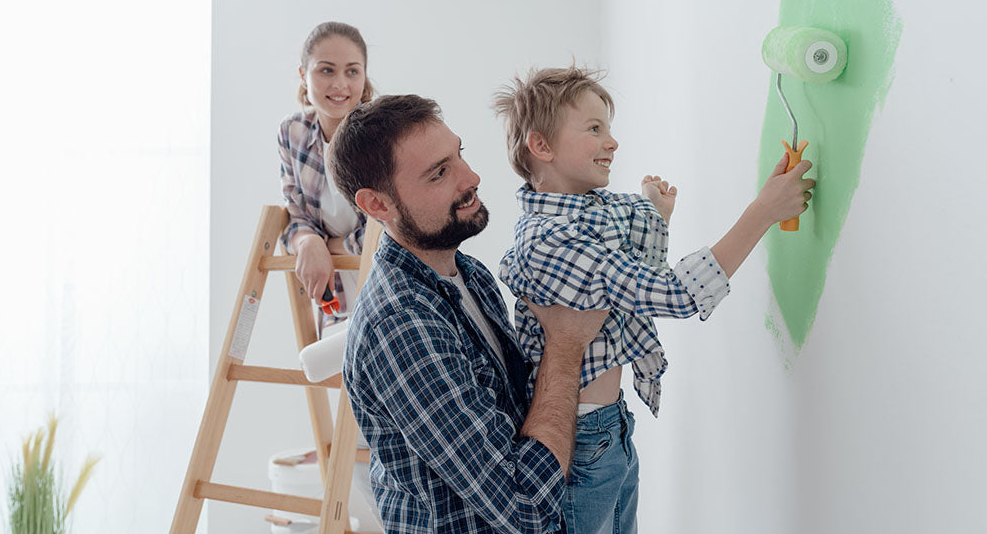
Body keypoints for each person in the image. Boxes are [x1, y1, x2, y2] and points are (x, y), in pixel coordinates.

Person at [492, 65, 815, 534]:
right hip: (580, 440)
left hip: (610, 426)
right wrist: (763, 212)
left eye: (610, 128)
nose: (612, 142)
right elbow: (676, 293)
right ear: (541, 147)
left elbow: (637, 281)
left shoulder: (592, 210)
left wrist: (654, 216)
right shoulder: (550, 240)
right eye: (595, 129)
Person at [327, 94, 610, 534]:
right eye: (439, 173)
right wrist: (566, 345)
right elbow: (525, 508)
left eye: (459, 155)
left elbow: (519, 418)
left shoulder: (469, 273)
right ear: (377, 205)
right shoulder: (401, 325)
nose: (471, 178)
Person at [277, 21, 375, 326]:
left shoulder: (381, 135)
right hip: (333, 294)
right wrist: (308, 243)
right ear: (303, 75)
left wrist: (329, 246)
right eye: (326, 70)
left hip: (386, 286)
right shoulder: (292, 132)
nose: (340, 85)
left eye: (352, 71)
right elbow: (296, 217)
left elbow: (391, 230)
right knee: (325, 365)